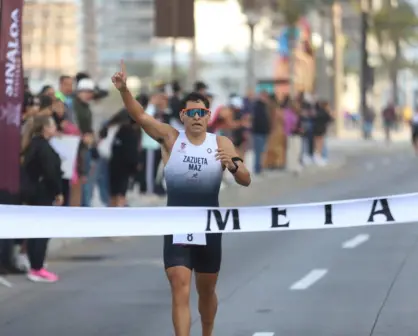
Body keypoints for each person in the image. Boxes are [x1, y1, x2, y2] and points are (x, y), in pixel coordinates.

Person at [112, 60, 251, 336]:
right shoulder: (171, 139)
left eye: (202, 112)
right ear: (184, 115)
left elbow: (245, 178)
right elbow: (141, 116)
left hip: (210, 225)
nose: (197, 117)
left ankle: (207, 331)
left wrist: (233, 166)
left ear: (208, 116)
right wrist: (124, 91)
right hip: (177, 224)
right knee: (179, 284)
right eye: (192, 112)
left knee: (206, 288)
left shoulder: (220, 143)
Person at [21, 115, 63, 282]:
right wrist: (58, 192)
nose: (55, 128)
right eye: (52, 125)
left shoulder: (34, 144)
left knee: (35, 230)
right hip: (42, 193)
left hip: (33, 192)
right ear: (45, 128)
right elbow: (50, 173)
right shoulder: (43, 147)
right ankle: (37, 267)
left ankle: (35, 265)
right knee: (42, 230)